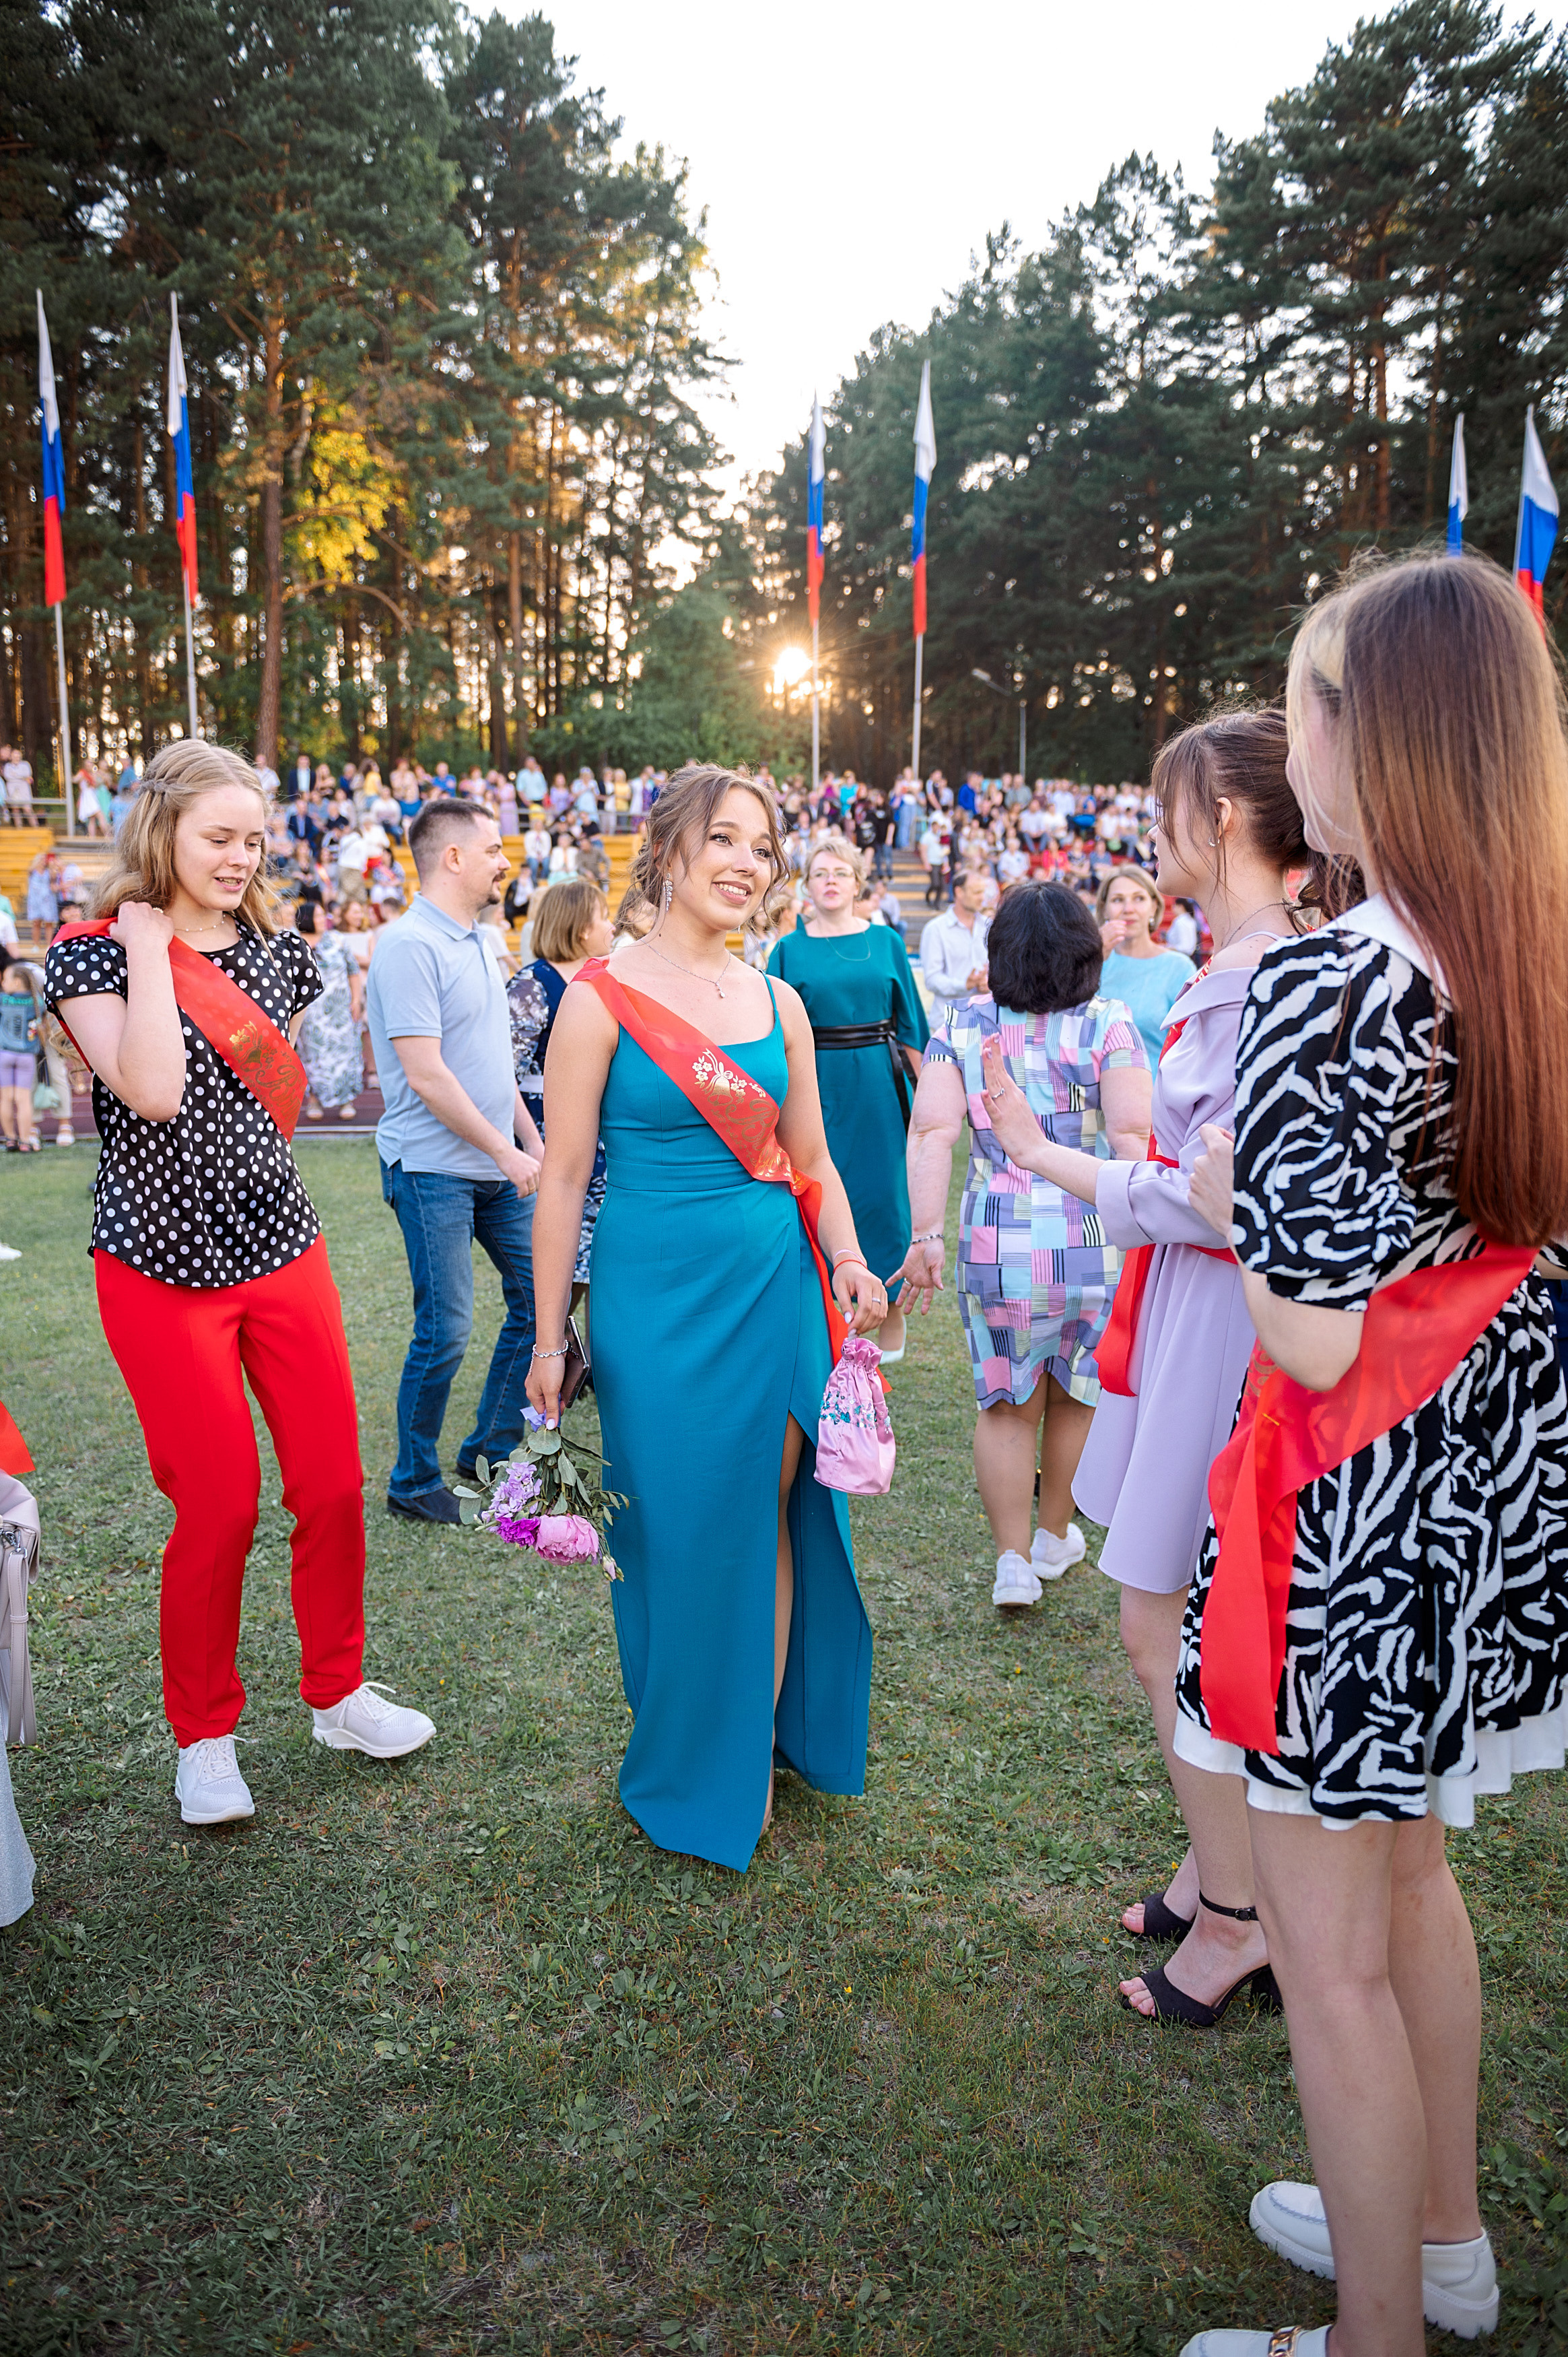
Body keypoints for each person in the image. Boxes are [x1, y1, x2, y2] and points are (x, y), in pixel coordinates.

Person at [1172, 554, 1568, 2357]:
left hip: (1352, 1494)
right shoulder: (1534, 936)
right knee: (1413, 1882)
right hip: (1475, 1485)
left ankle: (1378, 2335)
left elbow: (1310, 1332)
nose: (1295, 731)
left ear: (1372, 728)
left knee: (1331, 1947)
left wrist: (1238, 1192)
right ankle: (1441, 2236)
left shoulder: (1334, 979)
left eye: (1306, 692)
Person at [980, 710, 1328, 2028]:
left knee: (1165, 1624)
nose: (1147, 822)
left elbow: (1215, 1197)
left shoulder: (1266, 978)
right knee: (1187, 1617)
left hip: (1224, 1321)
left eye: (1166, 801)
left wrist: (1053, 1157)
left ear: (1223, 821)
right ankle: (1215, 1867)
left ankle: (1241, 1918)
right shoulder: (1232, 963)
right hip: (1190, 1309)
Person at [42, 739, 435, 1828]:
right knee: (217, 1503)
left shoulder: (284, 954)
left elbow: (280, 1106)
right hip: (157, 1267)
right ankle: (205, 1738)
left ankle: (338, 1693)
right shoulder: (87, 956)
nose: (240, 857)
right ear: (158, 827)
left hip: (280, 1249)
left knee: (333, 1484)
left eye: (253, 839)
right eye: (218, 836)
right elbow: (157, 1092)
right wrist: (148, 945)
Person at [526, 764, 883, 1873]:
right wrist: (547, 1338)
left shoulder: (780, 1001)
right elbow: (562, 1176)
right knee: (668, 1533)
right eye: (721, 839)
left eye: (760, 846)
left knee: (760, 1521)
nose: (744, 862)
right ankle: (690, 1738)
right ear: (667, 852)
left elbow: (811, 1160)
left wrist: (854, 1262)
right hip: (648, 1306)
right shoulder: (595, 999)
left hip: (776, 1293)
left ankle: (738, 1758)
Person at [897, 884, 1149, 1603]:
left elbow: (932, 1132)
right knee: (1077, 1393)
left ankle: (1012, 1561)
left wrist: (925, 1234)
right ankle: (1051, 1534)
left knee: (1005, 1404)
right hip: (1093, 1238)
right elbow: (1132, 1136)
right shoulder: (1111, 1023)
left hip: (996, 1241)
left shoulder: (962, 1021)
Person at [366, 798, 544, 1526]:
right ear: (453, 857)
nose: (506, 861)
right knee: (445, 1329)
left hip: (497, 1165)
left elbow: (491, 1063)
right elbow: (428, 1073)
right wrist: (504, 1148)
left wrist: (529, 1139)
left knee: (542, 1305)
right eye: (494, 848)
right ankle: (413, 1479)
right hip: (433, 1168)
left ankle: (490, 1446)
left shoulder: (478, 938)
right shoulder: (408, 944)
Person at [768, 838, 928, 1360]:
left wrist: (926, 1099)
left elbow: (910, 1027)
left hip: (879, 1087)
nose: (830, 880)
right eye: (819, 873)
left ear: (857, 883)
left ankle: (892, 1312)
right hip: (814, 1085)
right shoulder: (787, 951)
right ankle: (830, 1312)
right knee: (819, 1191)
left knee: (884, 1198)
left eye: (840, 872)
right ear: (806, 885)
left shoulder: (885, 942)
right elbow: (771, 1034)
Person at [508, 877, 615, 1295]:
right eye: (603, 917)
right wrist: (533, 1145)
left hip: (605, 1146)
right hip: (552, 1138)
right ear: (580, 927)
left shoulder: (609, 978)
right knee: (559, 1279)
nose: (612, 927)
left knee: (603, 1271)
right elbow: (505, 1074)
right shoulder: (532, 985)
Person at [1097, 865, 1196, 1067]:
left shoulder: (1179, 968)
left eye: (1139, 898)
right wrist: (1092, 959)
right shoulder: (1089, 964)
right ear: (1104, 908)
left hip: (1154, 1093)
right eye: (1117, 900)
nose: (1128, 909)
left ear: (1154, 906)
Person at [294, 903, 364, 1121]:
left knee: (345, 1053)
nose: (323, 919)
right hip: (310, 1013)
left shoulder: (338, 940)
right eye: (318, 915)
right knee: (312, 1057)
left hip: (340, 1011)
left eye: (324, 915)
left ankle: (346, 1101)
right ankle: (314, 1100)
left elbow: (353, 971)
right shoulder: (294, 943)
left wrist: (356, 1001)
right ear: (306, 918)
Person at [920, 865, 992, 1002]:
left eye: (983, 892)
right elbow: (932, 979)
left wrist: (989, 983)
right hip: (947, 1020)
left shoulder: (989, 926)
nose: (982, 898)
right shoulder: (936, 929)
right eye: (976, 892)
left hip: (985, 1019)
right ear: (959, 892)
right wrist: (965, 985)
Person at [0, 960, 40, 1151]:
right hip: (26, 1057)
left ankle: (10, 1139)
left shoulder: (3, 1000)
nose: (3, 983)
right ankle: (25, 1141)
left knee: (5, 1099)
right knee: (23, 1100)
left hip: (5, 1055)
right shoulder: (37, 1002)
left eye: (6, 979)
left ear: (17, 982)